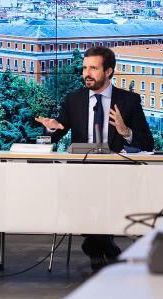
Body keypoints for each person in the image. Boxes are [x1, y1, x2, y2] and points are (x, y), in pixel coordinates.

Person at [35, 46, 154, 270]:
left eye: (93, 68)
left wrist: (125, 131)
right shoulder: (74, 100)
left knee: (102, 200)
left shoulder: (128, 101)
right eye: (84, 68)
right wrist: (52, 128)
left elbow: (148, 143)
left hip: (117, 177)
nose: (86, 74)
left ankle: (94, 246)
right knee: (70, 197)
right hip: (82, 174)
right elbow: (56, 133)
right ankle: (107, 248)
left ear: (108, 72)